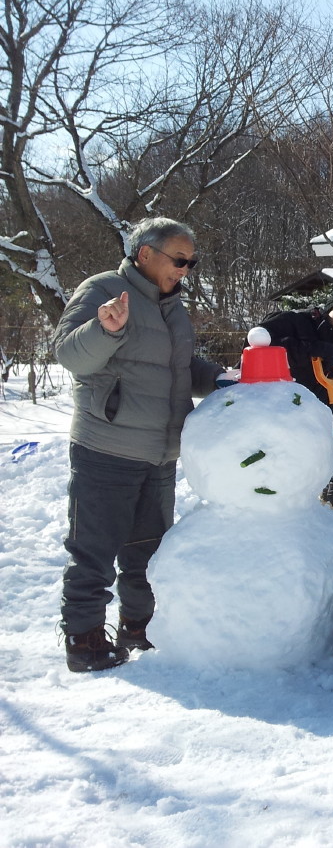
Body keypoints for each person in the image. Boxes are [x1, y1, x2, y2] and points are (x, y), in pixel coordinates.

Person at [52, 217, 225, 672]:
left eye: (192, 262)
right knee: (93, 550)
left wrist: (222, 379)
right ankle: (84, 638)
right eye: (180, 260)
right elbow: (70, 354)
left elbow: (181, 367)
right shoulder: (102, 289)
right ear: (145, 254)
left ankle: (139, 628)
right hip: (106, 448)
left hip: (160, 453)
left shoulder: (173, 307)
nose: (186, 270)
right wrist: (105, 330)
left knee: (147, 552)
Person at [256, 291, 333, 514]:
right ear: (330, 308)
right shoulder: (294, 322)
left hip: (304, 424)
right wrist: (308, 350)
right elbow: (256, 344)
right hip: (268, 414)